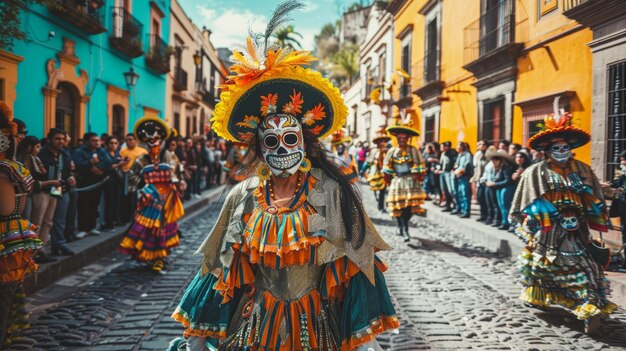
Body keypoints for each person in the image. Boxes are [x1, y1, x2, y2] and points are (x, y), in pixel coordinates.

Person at [168, 12, 399, 350]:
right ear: (259, 148)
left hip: (316, 331)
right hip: (253, 327)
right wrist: (198, 343)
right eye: (270, 141)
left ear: (305, 142)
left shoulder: (330, 195)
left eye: (290, 139)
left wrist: (367, 346)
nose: (281, 149)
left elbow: (357, 275)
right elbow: (216, 272)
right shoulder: (243, 196)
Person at [510, 103, 616, 333]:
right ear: (547, 150)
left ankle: (589, 306)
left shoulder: (583, 169)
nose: (561, 152)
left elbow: (595, 192)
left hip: (578, 230)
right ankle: (544, 297)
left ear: (571, 148)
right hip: (548, 229)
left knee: (584, 266)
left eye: (565, 147)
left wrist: (596, 196)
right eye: (556, 148)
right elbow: (528, 201)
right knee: (545, 266)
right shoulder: (535, 172)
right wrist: (536, 220)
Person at [0, 101, 43, 347]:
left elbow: (5, 209)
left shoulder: (4, 170)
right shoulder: (12, 167)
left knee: (5, 295)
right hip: (13, 234)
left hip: (5, 234)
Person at [118, 117, 184, 272]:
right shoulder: (141, 159)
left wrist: (177, 182)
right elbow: (132, 178)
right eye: (149, 140)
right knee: (147, 228)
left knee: (163, 228)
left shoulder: (169, 156)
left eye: (156, 138)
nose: (153, 142)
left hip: (167, 199)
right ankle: (150, 256)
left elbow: (177, 173)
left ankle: (161, 257)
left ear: (161, 140)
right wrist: (143, 187)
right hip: (148, 200)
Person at [383, 117, 427, 241]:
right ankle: (400, 226)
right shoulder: (391, 151)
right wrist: (387, 174)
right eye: (400, 138)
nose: (402, 140)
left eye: (404, 138)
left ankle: (405, 228)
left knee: (408, 207)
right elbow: (387, 166)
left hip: (410, 181)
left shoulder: (413, 150)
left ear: (408, 139)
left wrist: (417, 171)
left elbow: (420, 164)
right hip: (397, 181)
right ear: (396, 139)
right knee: (397, 206)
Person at [36, 129, 77, 254]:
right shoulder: (41, 154)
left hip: (60, 189)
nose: (61, 141)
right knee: (40, 221)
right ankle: (36, 251)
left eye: (63, 139)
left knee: (59, 219)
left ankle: (58, 244)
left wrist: (70, 177)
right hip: (43, 191)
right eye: (57, 139)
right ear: (49, 140)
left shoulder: (64, 154)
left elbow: (67, 171)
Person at [74, 133, 112, 238]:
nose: (97, 142)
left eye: (98, 140)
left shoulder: (102, 151)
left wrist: (97, 167)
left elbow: (108, 162)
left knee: (94, 205)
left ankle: (92, 227)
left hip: (97, 182)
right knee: (83, 205)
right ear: (87, 142)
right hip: (84, 182)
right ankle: (82, 229)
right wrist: (90, 164)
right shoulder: (80, 151)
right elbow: (79, 164)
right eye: (94, 140)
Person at [119, 133, 148, 223]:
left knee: (135, 198)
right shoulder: (122, 151)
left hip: (138, 177)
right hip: (125, 177)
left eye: (131, 139)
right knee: (125, 199)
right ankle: (125, 217)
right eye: (127, 139)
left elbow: (146, 164)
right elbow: (120, 163)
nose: (129, 141)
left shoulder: (143, 151)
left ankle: (136, 216)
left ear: (135, 140)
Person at [361, 127, 391, 213]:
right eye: (381, 141)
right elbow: (368, 162)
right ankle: (377, 198)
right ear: (377, 143)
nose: (383, 143)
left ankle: (381, 206)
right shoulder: (374, 151)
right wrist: (363, 171)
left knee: (383, 190)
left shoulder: (388, 152)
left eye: (384, 141)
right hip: (375, 172)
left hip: (385, 173)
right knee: (376, 189)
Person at [485, 149, 515, 230]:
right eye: (493, 160)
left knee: (505, 206)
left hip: (506, 188)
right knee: (501, 206)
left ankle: (508, 223)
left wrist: (495, 184)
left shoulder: (506, 167)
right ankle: (504, 222)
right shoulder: (499, 167)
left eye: (496, 159)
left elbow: (507, 180)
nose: (494, 161)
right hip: (500, 188)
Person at [102, 136, 127, 231]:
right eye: (111, 143)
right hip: (108, 180)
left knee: (116, 201)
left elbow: (118, 164)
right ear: (107, 144)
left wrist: (122, 163)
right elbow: (108, 166)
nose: (113, 145)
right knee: (109, 201)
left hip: (117, 179)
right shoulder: (105, 153)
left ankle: (114, 219)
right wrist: (120, 164)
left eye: (115, 143)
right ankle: (108, 223)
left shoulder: (117, 153)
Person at [609, 150, 626, 271]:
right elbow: (615, 185)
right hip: (623, 210)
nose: (622, 164)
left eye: (623, 161)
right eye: (621, 161)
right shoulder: (622, 176)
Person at [453, 141, 473, 218]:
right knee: (460, 193)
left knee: (465, 194)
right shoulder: (459, 155)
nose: (457, 147)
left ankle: (466, 211)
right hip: (459, 176)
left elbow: (467, 165)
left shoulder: (467, 154)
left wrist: (462, 172)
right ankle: (462, 209)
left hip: (465, 176)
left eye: (459, 146)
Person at [438, 141, 457, 212]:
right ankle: (448, 205)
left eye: (442, 147)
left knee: (450, 190)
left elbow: (451, 163)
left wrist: (447, 169)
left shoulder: (451, 153)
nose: (441, 148)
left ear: (446, 147)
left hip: (448, 173)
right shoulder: (442, 153)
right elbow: (441, 163)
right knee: (444, 190)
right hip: (443, 173)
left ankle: (455, 205)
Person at [473, 140, 489, 222]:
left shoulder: (488, 155)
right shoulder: (478, 155)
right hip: (479, 179)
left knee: (485, 199)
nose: (481, 146)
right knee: (480, 198)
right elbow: (476, 167)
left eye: (483, 144)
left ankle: (487, 216)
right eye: (479, 144)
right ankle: (482, 215)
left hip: (486, 180)